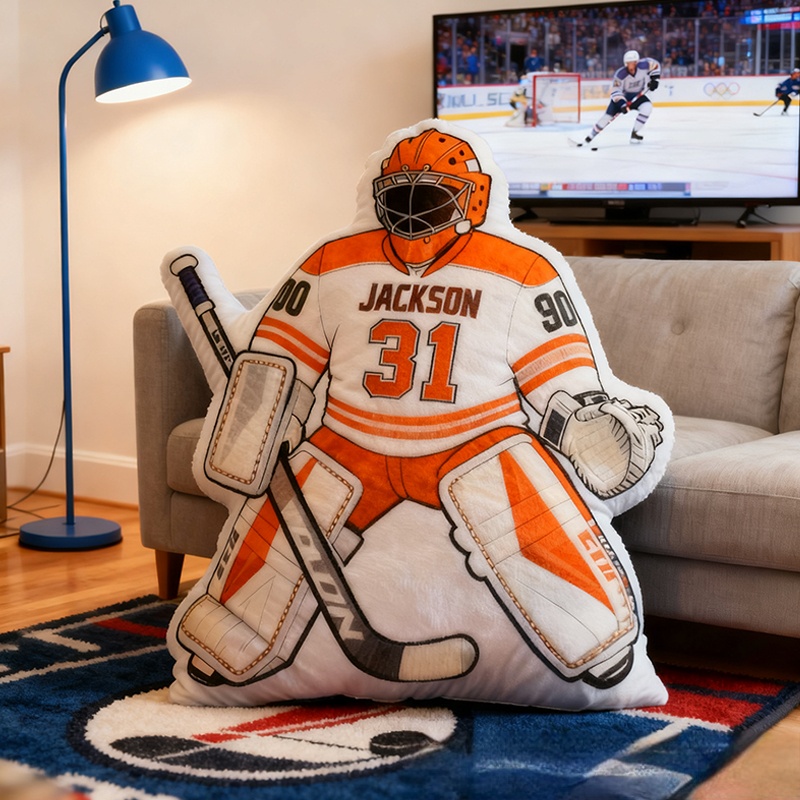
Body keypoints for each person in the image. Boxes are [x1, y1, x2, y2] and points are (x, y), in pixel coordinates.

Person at [170, 125, 665, 693]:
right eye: (398, 197)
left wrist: (588, 424)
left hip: (475, 439)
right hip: (352, 440)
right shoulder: (335, 261)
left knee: (532, 519)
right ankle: (227, 646)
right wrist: (264, 422)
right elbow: (280, 357)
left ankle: (596, 638)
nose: (409, 214)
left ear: (472, 199)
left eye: (427, 197)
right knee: (278, 534)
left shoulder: (522, 269)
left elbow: (559, 380)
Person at [579, 50, 661, 145]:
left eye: (633, 63)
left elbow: (655, 65)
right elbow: (615, 91)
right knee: (607, 117)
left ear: (637, 62)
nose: (631, 66)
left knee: (647, 107)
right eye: (629, 63)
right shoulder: (620, 75)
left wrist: (655, 79)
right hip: (622, 98)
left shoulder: (644, 65)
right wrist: (622, 104)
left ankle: (635, 133)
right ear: (625, 64)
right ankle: (591, 136)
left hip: (638, 96)